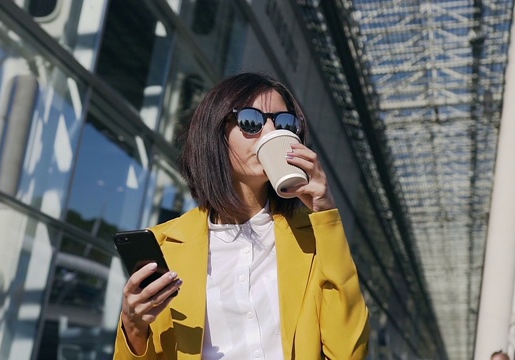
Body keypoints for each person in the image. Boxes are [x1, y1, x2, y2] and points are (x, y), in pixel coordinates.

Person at [114, 72, 370, 359]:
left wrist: (326, 212)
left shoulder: (315, 237)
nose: (271, 133)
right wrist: (134, 329)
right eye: (252, 121)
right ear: (215, 133)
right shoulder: (165, 245)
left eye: (284, 123)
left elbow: (349, 351)